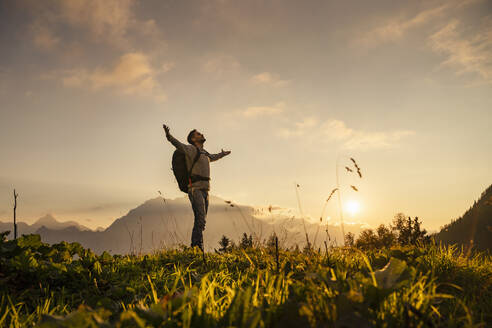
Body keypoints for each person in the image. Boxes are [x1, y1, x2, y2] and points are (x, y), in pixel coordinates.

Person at [163, 124, 231, 250]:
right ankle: (196, 248)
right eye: (198, 134)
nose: (201, 134)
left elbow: (212, 157)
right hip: (195, 189)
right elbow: (178, 145)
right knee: (200, 220)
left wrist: (222, 154)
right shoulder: (190, 150)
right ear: (193, 139)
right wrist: (169, 136)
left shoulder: (204, 153)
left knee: (202, 221)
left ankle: (198, 248)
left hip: (206, 191)